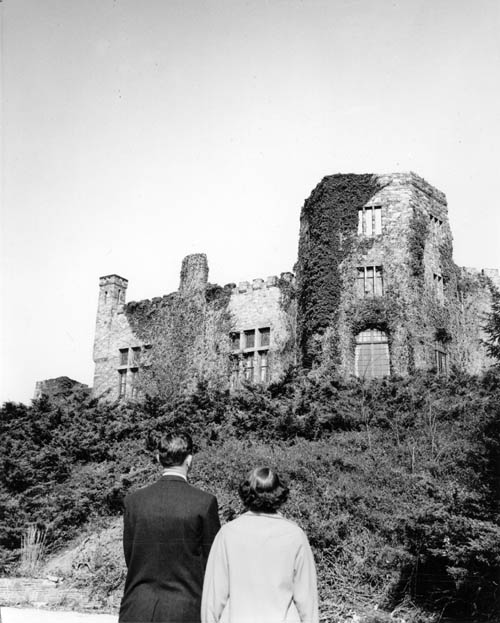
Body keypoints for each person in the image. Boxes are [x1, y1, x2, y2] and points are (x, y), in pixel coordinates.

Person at [119, 432, 221, 623]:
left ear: (158, 459)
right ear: (189, 460)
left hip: (137, 607)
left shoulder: (133, 502)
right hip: (185, 609)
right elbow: (212, 561)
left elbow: (130, 555)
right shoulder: (204, 503)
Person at [201, 466, 319, 623]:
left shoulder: (228, 534)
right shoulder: (295, 535)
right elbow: (307, 601)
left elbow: (213, 598)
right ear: (279, 493)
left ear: (246, 493)